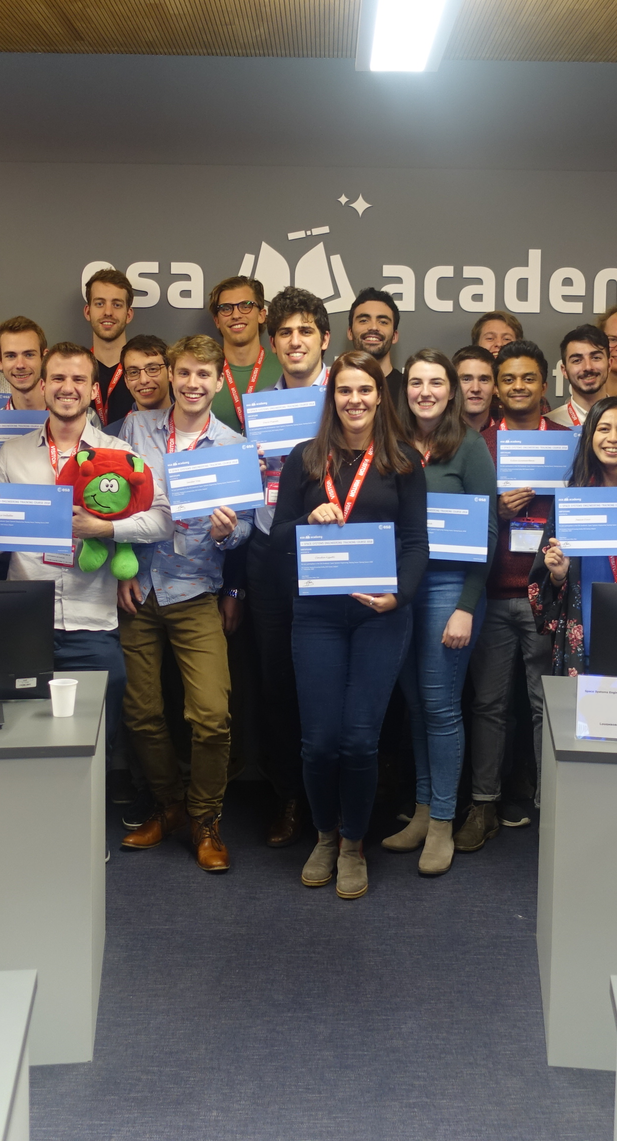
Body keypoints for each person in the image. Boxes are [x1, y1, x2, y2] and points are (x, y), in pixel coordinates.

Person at [272, 351, 427, 900]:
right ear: (331, 397)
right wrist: (304, 522)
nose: (355, 401)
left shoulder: (403, 461)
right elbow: (275, 538)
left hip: (378, 616)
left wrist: (398, 596)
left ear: (379, 397)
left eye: (365, 390)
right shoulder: (304, 459)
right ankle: (323, 835)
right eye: (344, 391)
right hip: (317, 614)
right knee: (318, 742)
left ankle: (354, 844)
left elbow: (415, 543)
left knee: (361, 741)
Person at [0, 341, 173, 810]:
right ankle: (33, 822)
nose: (67, 388)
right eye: (57, 378)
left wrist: (105, 526)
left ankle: (86, 828)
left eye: (77, 379)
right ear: (43, 384)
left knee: (97, 734)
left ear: (94, 390)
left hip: (92, 618)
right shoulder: (12, 455)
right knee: (23, 731)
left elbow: (161, 520)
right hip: (25, 619)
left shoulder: (122, 453)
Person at [114, 335, 251, 872]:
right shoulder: (134, 428)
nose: (194, 384)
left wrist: (227, 532)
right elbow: (114, 494)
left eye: (205, 375)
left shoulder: (235, 447)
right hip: (140, 587)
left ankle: (205, 818)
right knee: (141, 712)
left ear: (219, 382)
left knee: (212, 715)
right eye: (185, 373)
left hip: (196, 590)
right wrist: (124, 555)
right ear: (172, 375)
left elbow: (247, 531)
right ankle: (169, 808)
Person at [381, 349, 496, 877]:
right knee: (415, 702)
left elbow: (488, 534)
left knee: (442, 704)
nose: (425, 391)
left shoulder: (469, 447)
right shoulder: (394, 446)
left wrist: (467, 607)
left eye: (436, 383)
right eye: (416, 383)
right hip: (402, 590)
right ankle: (424, 810)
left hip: (450, 588)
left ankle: (445, 821)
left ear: (452, 391)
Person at [459, 339, 568, 849]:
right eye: (509, 379)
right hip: (493, 594)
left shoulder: (570, 441)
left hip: (547, 595)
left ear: (544, 385)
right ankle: (484, 805)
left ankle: (554, 809)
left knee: (548, 707)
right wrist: (494, 512)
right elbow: (454, 521)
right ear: (496, 389)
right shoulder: (475, 444)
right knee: (488, 705)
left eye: (528, 378)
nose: (518, 386)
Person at [245, 287, 332, 847]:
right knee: (276, 680)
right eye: (285, 333)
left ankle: (340, 803)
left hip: (335, 552)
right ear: (272, 342)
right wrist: (244, 467)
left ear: (326, 339)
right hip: (270, 551)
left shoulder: (351, 396)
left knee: (332, 678)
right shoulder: (257, 407)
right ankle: (289, 800)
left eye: (306, 331)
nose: (295, 341)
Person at [528, 398, 617, 677]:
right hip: (581, 644)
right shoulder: (571, 502)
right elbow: (541, 590)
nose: (613, 438)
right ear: (590, 436)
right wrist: (557, 574)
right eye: (604, 429)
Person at [209, 275, 279, 433]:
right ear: (217, 321)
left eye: (245, 305)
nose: (236, 315)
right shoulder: (201, 374)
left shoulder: (285, 369)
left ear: (261, 315)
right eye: (226, 308)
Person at [84, 268, 138, 427]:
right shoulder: (74, 372)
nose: (108, 312)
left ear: (128, 314)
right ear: (88, 312)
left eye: (117, 304)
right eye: (99, 303)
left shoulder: (147, 374)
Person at [346, 287, 404, 404]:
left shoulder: (409, 390)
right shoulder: (335, 388)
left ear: (394, 336)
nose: (373, 327)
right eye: (363, 320)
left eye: (383, 322)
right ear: (350, 332)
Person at [545, 324, 609, 429]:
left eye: (596, 358)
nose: (588, 367)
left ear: (609, 364)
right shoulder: (549, 426)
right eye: (577, 360)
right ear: (564, 370)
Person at [114, 335, 171, 428]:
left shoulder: (194, 427)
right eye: (133, 372)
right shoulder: (110, 437)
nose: (144, 380)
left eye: (152, 369)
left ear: (170, 372)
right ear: (126, 380)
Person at [0, 316, 48, 411]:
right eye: (11, 356)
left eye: (29, 355)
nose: (20, 365)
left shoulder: (72, 422)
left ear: (44, 358)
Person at [453, 344, 497, 433]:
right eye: (466, 379)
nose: (475, 389)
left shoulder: (507, 436)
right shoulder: (435, 436)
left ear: (495, 387)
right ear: (453, 385)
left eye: (484, 380)